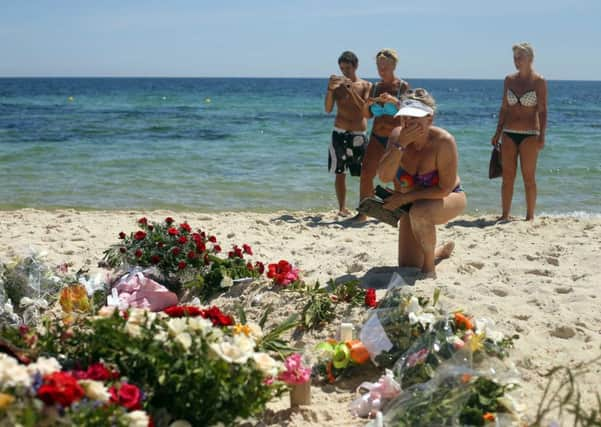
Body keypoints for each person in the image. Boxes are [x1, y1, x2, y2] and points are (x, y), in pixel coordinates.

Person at [378, 89, 467, 277]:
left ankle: (429, 269)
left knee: (420, 212)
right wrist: (400, 145)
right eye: (405, 118)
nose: (408, 123)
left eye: (414, 118)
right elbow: (384, 176)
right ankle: (439, 251)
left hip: (448, 196)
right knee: (407, 265)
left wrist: (404, 199)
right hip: (410, 201)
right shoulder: (397, 136)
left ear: (429, 119)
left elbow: (444, 188)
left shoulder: (443, 142)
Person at [491, 42, 547, 221]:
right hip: (508, 133)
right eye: (515, 58)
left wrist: (542, 136)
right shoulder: (509, 80)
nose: (516, 61)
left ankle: (530, 216)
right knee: (507, 177)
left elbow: (543, 110)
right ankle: (505, 214)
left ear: (530, 59)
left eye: (520, 57)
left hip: (530, 134)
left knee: (528, 177)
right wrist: (497, 133)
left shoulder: (539, 81)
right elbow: (504, 108)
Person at [356, 48, 410, 221]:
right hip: (377, 136)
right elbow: (367, 115)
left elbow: (408, 111)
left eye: (385, 65)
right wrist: (368, 103)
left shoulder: (402, 86)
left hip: (395, 137)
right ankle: (363, 213)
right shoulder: (375, 87)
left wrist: (394, 101)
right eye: (379, 65)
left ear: (393, 65)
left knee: (396, 176)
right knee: (366, 173)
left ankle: (398, 212)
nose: (382, 69)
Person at [324, 51, 372, 216]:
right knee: (339, 173)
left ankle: (364, 208)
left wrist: (351, 90)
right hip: (339, 133)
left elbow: (366, 110)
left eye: (348, 68)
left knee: (364, 174)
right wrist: (330, 90)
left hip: (359, 134)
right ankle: (342, 208)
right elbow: (328, 109)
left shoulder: (366, 86)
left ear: (356, 66)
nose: (345, 72)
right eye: (342, 69)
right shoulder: (337, 87)